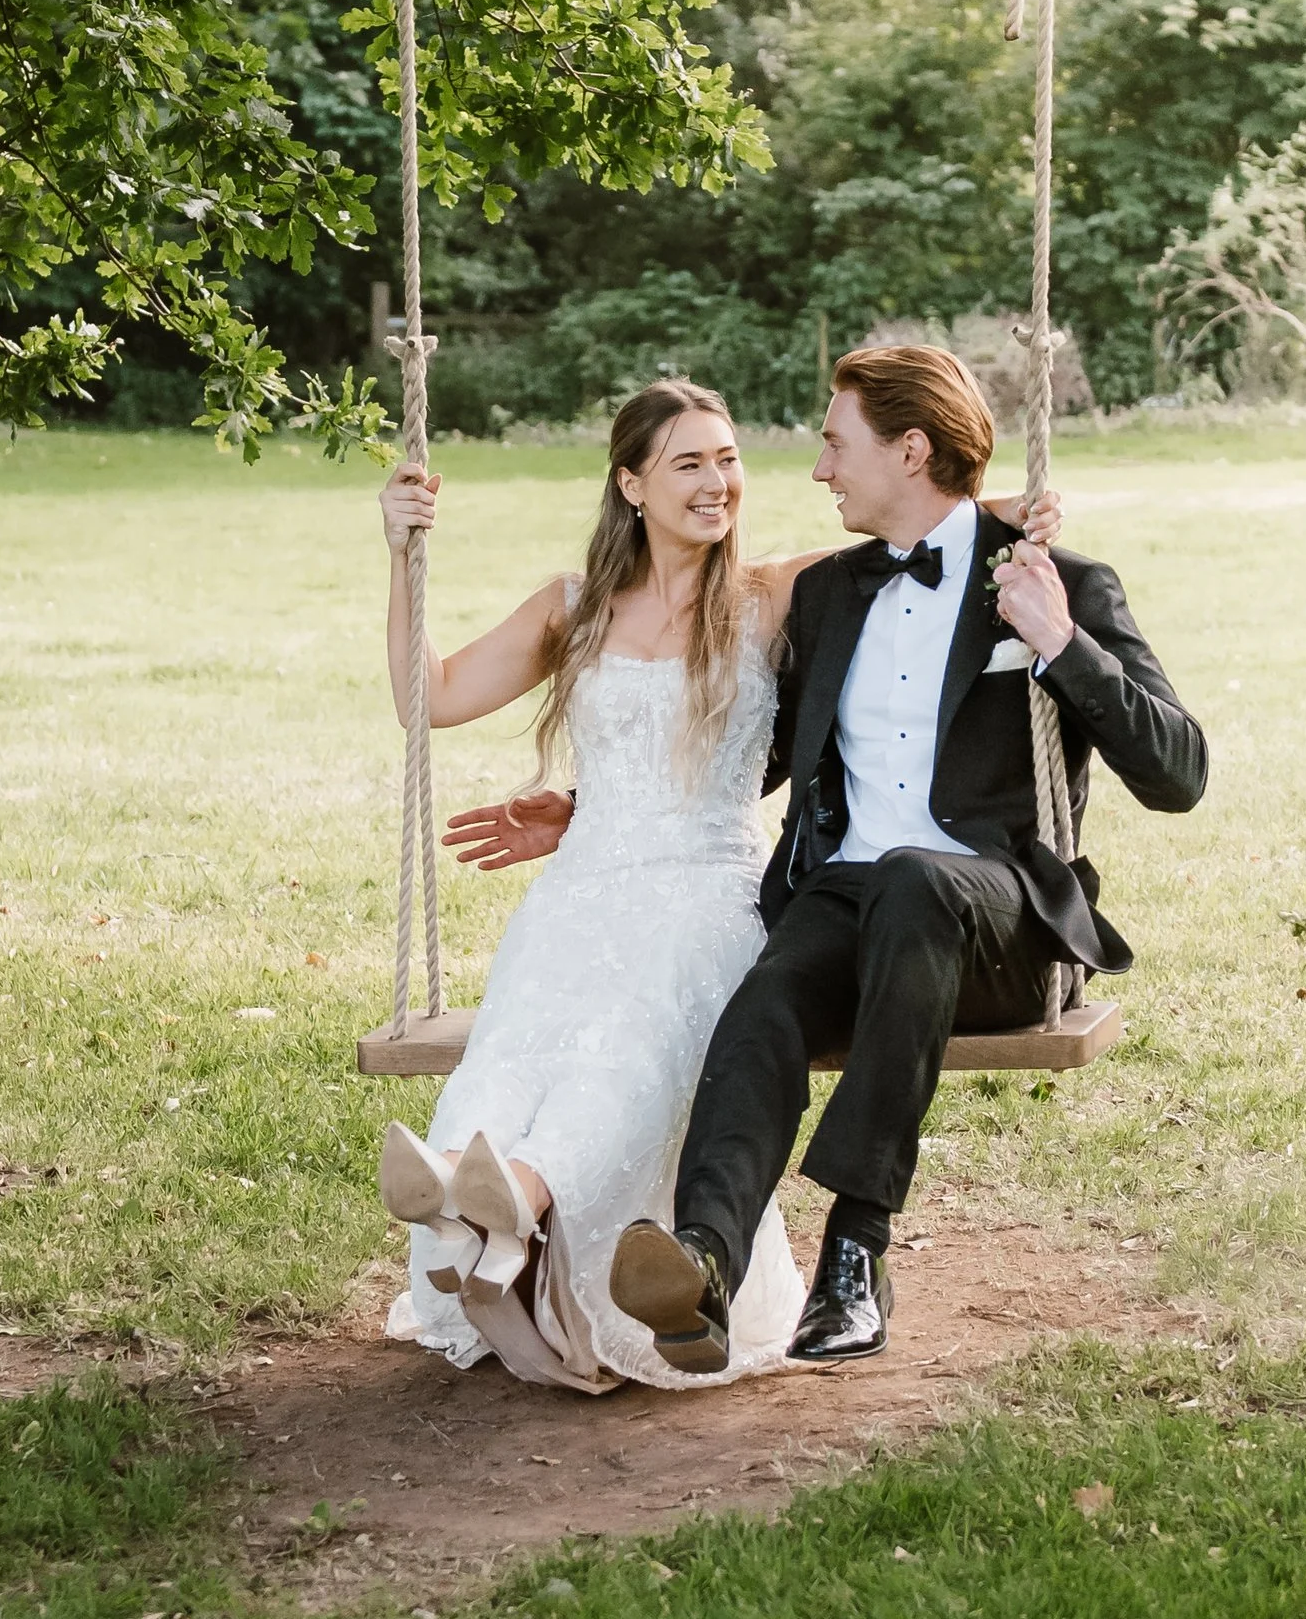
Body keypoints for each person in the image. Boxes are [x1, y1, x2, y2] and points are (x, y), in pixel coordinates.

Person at [374, 375, 1059, 1394]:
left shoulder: (772, 594)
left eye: (728, 459)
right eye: (689, 463)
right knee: (521, 1045)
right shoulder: (572, 608)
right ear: (631, 484)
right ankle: (470, 1203)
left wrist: (1022, 512)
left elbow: (927, 530)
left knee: (631, 1040)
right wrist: (401, 554)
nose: (717, 482)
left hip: (712, 891)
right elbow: (428, 698)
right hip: (583, 891)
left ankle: (514, 1196)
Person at [605, 340, 1209, 1374]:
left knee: (914, 881)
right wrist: (584, 806)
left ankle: (857, 1248)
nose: (819, 470)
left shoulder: (1052, 583)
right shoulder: (833, 594)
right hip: (844, 903)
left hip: (997, 923)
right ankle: (704, 1261)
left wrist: (1063, 645)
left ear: (911, 450)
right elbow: (758, 756)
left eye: (836, 444)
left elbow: (1178, 773)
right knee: (766, 1000)